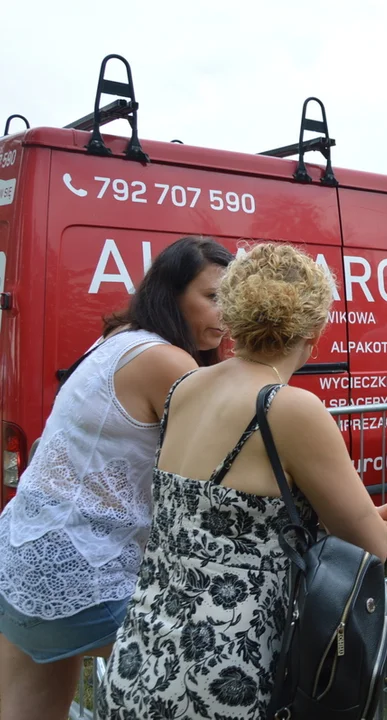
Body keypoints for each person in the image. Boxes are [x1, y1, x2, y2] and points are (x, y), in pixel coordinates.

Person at [95, 242, 387, 719]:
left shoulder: (185, 386)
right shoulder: (289, 407)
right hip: (227, 666)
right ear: (316, 329)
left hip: (144, 651)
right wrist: (386, 530)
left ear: (232, 314)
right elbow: (367, 541)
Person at [0, 236, 233, 720]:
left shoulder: (119, 338)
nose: (225, 312)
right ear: (170, 293)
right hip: (80, 571)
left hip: (24, 557)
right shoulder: (167, 361)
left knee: (27, 707)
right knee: (222, 657)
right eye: (212, 297)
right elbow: (219, 476)